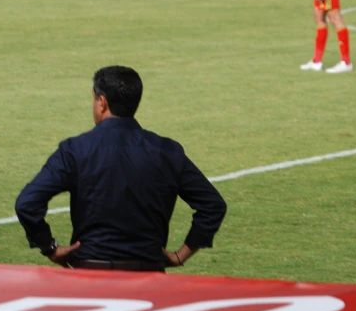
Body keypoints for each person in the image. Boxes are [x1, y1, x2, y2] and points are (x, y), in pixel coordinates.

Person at [15, 66, 227, 272]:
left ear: (102, 102)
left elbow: (27, 203)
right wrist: (180, 255)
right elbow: (213, 205)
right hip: (149, 275)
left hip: (89, 274)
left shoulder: (75, 150)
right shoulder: (167, 151)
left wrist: (49, 247)